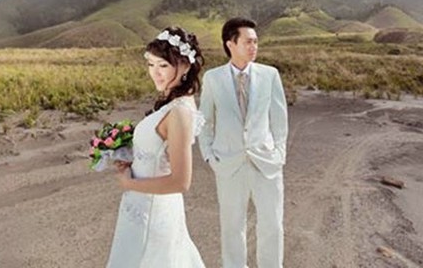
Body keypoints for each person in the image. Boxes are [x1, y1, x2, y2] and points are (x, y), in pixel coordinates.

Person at [106, 26, 206, 268]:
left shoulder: (180, 112)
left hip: (153, 211)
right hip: (141, 207)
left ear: (184, 66)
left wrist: (130, 183)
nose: (155, 73)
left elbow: (181, 182)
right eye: (151, 65)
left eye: (163, 65)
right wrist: (136, 162)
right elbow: (161, 156)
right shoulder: (170, 103)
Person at [198, 17, 288, 268]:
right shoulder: (213, 78)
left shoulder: (270, 75)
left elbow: (279, 119)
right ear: (231, 44)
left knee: (272, 225)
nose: (254, 46)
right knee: (232, 227)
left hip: (267, 163)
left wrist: (280, 153)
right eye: (248, 41)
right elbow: (204, 121)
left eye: (256, 42)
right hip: (228, 164)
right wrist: (208, 155)